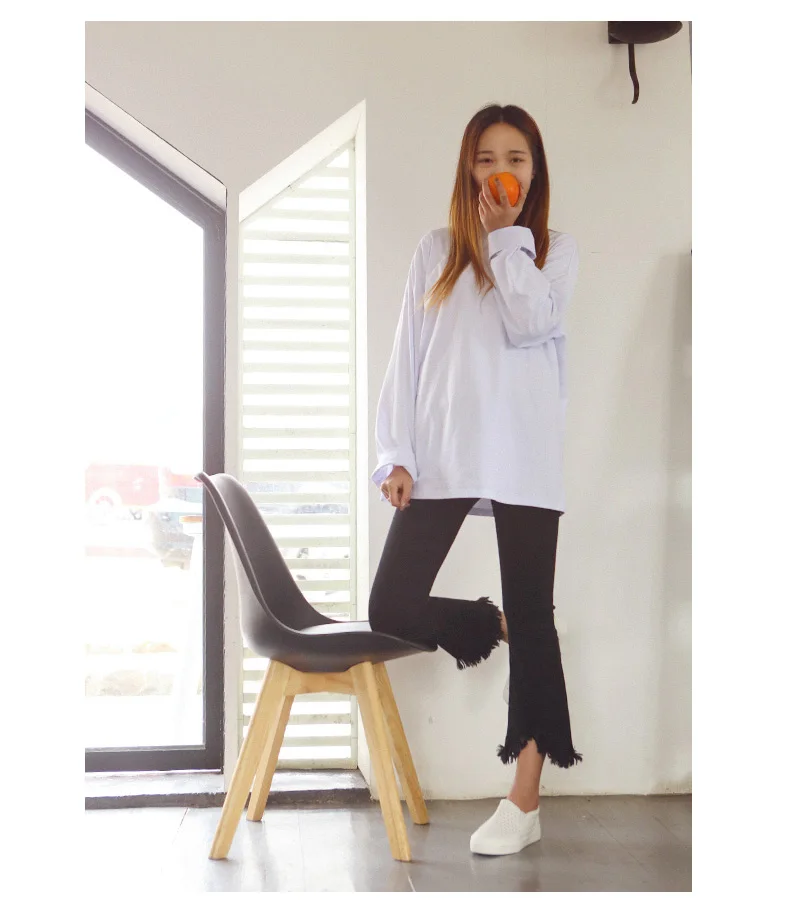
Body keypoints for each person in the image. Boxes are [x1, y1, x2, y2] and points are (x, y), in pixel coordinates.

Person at [368, 103, 583, 857]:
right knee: (392, 604)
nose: (502, 170)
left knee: (536, 617)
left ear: (535, 170)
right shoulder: (436, 251)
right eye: (488, 157)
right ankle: (497, 626)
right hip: (445, 451)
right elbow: (407, 354)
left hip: (525, 457)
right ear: (469, 168)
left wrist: (506, 239)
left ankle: (524, 799)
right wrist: (395, 453)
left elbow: (531, 324)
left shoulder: (552, 253)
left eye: (516, 158)